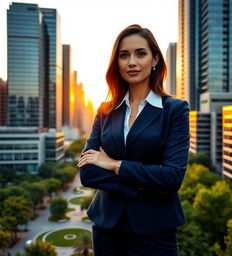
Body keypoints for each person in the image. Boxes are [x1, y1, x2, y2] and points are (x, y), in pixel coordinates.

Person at [78, 24, 190, 256]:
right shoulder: (105, 110)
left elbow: (172, 178)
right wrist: (147, 182)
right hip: (107, 229)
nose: (131, 62)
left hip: (155, 231)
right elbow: (88, 173)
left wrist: (114, 164)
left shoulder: (175, 110)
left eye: (140, 53)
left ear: (155, 59)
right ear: (116, 63)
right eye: (123, 55)